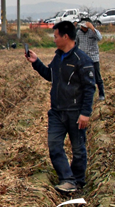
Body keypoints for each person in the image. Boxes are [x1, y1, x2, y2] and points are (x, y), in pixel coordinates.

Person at [25, 21, 96, 194]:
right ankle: (67, 179)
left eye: (56, 36)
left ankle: (78, 181)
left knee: (78, 148)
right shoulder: (58, 57)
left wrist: (85, 113)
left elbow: (89, 88)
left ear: (66, 37)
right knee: (54, 145)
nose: (54, 39)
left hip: (75, 112)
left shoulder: (82, 60)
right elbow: (51, 75)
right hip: (57, 111)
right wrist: (36, 62)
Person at [76, 18, 105, 101]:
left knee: (97, 77)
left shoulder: (93, 32)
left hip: (94, 58)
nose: (82, 27)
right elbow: (77, 44)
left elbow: (99, 38)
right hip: (84, 59)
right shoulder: (78, 33)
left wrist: (92, 28)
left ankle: (101, 94)